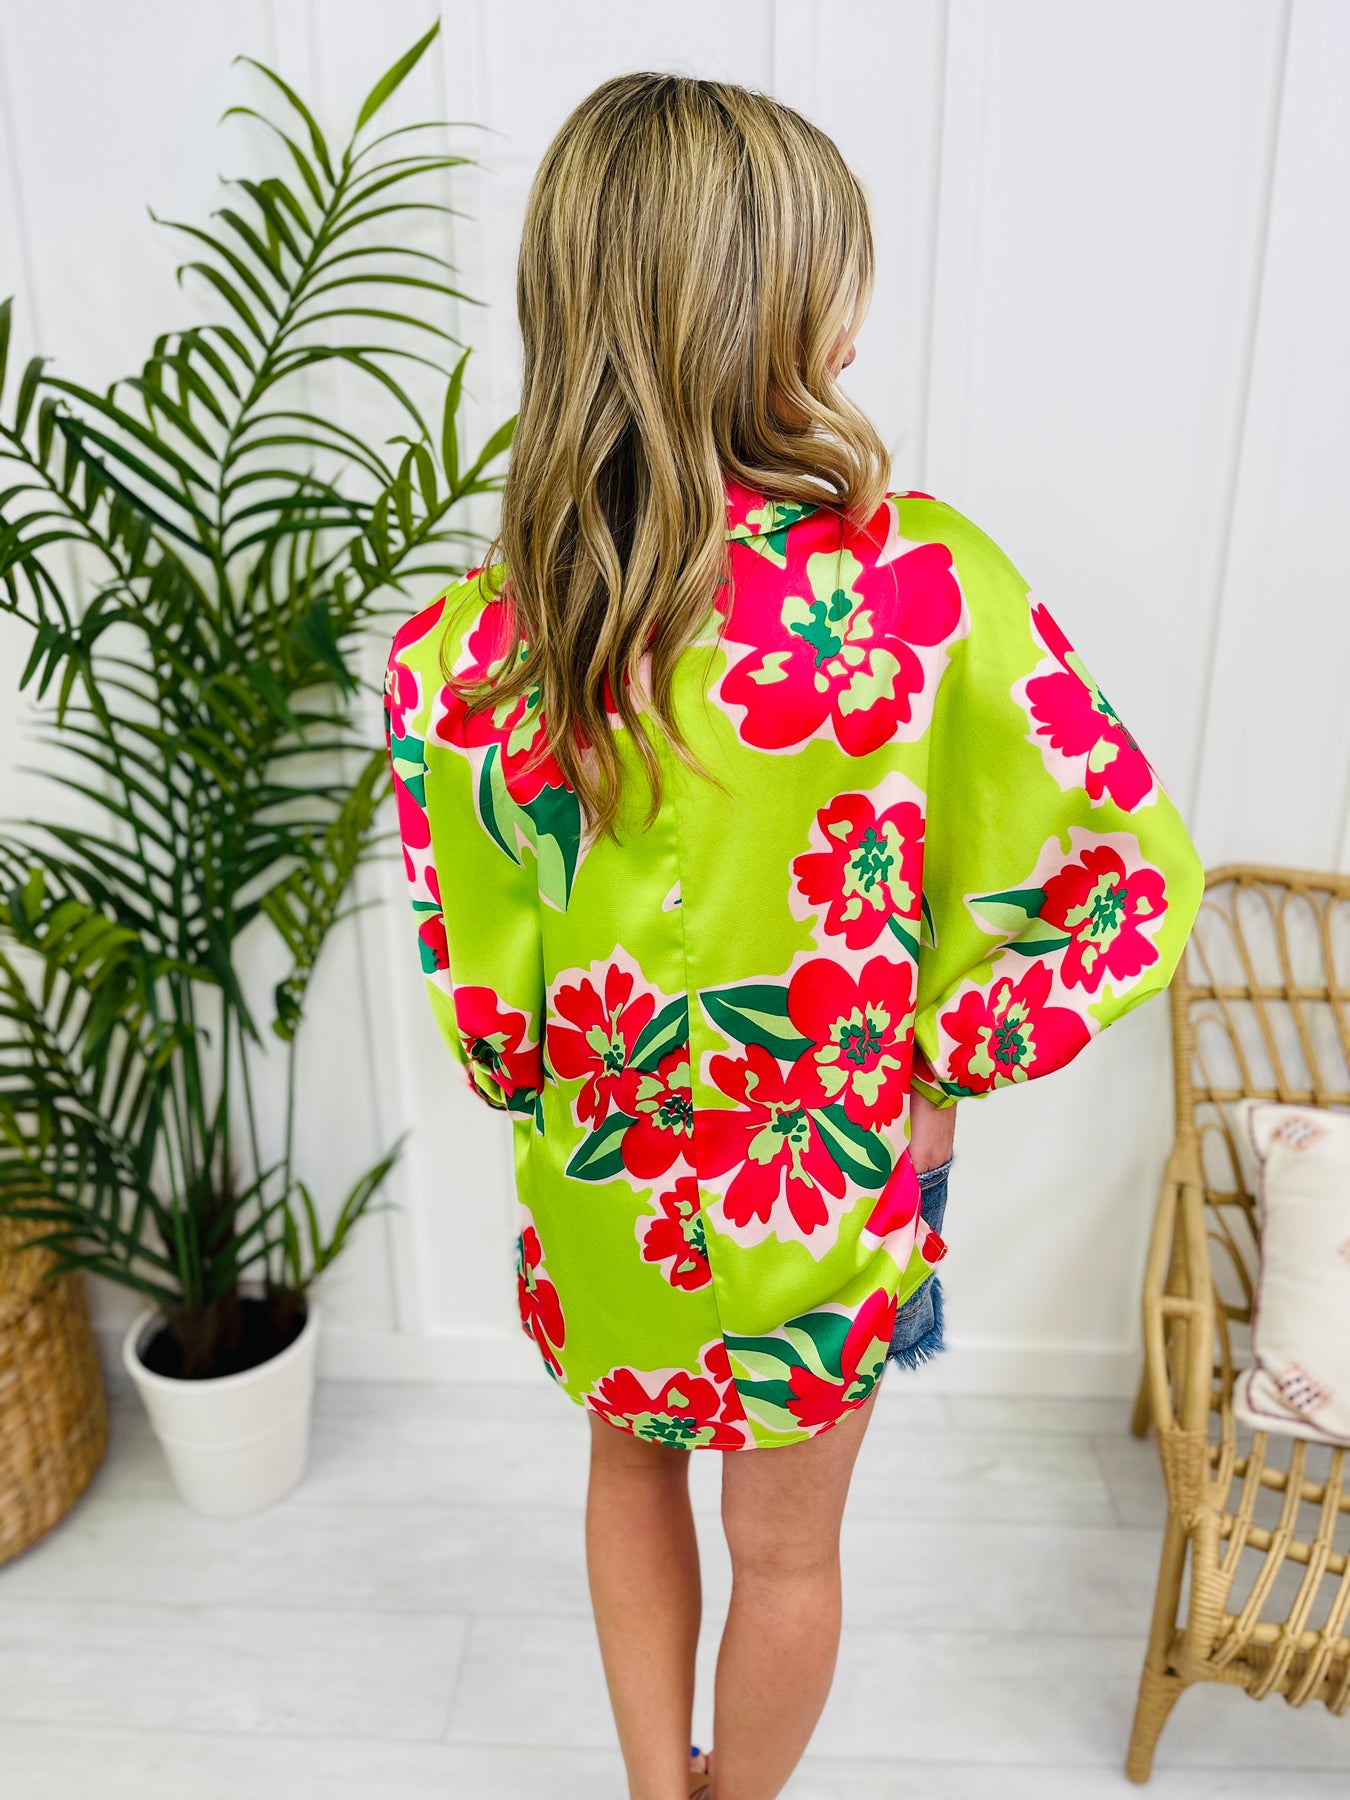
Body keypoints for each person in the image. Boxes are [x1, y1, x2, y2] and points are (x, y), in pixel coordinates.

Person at [385, 72, 1203, 1800]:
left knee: (625, 1470)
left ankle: (652, 1789)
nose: (855, 319)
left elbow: (481, 985)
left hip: (608, 1174)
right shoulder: (919, 591)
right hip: (825, 1179)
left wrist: (564, 1090)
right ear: (764, 309)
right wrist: (939, 1056)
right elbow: (1123, 868)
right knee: (790, 1550)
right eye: (835, 278)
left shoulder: (475, 642)